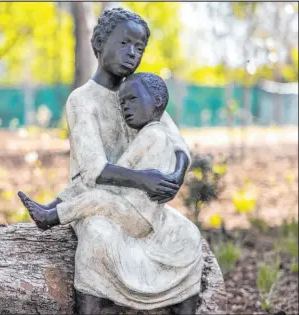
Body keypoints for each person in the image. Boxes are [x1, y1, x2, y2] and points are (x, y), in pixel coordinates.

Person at [17, 7, 200, 315]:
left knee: (187, 235)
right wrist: (146, 179)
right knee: (99, 237)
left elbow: (176, 142)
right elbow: (93, 169)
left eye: (139, 48)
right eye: (124, 43)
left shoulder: (139, 89)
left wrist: (177, 175)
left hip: (139, 204)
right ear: (99, 43)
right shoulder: (83, 99)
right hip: (92, 199)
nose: (132, 53)